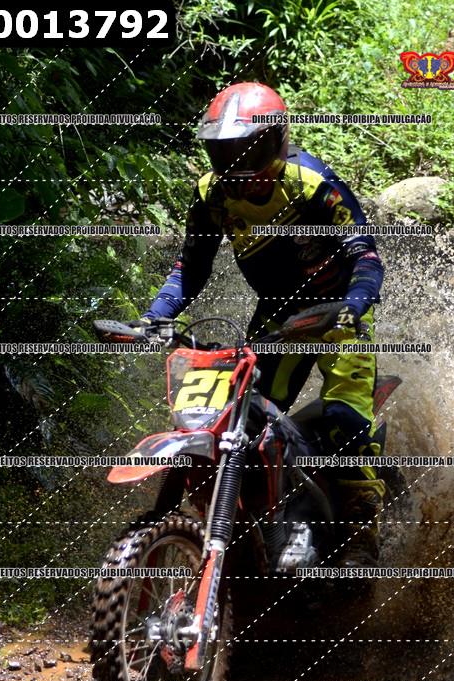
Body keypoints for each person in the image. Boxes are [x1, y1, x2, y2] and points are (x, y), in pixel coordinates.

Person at [134, 82, 385, 566]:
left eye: (247, 151)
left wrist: (355, 304)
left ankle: (360, 532)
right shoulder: (211, 195)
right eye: (225, 152)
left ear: (277, 142)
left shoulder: (311, 183)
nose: (237, 167)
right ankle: (256, 523)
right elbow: (191, 268)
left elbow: (364, 254)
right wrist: (155, 317)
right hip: (277, 316)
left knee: (345, 416)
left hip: (337, 313)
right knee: (240, 416)